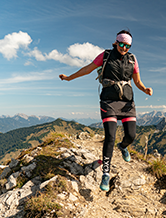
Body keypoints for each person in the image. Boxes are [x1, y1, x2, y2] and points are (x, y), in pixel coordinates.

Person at [59, 29, 153, 192]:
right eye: (122, 44)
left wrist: (144, 89)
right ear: (116, 42)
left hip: (127, 102)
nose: (124, 48)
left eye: (127, 46)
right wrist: (68, 78)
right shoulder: (105, 56)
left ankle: (123, 147)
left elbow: (137, 81)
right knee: (110, 136)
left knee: (131, 136)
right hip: (108, 100)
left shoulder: (133, 59)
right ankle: (106, 173)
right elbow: (87, 69)